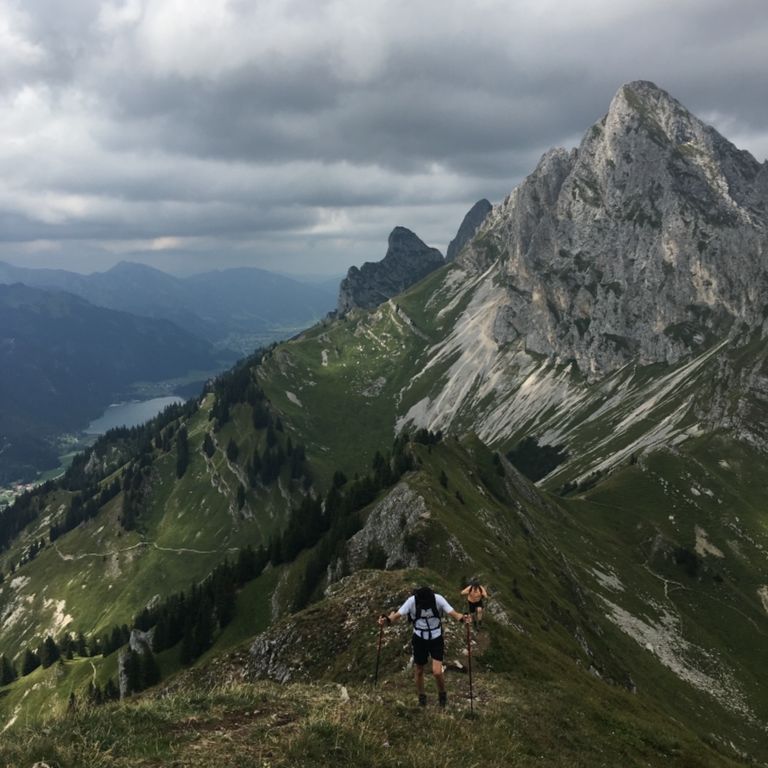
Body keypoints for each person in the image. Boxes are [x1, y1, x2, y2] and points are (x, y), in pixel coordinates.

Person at [379, 586, 469, 708]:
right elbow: (397, 615)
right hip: (419, 638)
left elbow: (454, 614)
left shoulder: (438, 599)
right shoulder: (411, 601)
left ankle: (442, 696)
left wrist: (463, 618)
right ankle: (422, 698)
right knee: (419, 670)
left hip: (436, 638)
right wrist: (387, 620)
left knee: (437, 672)